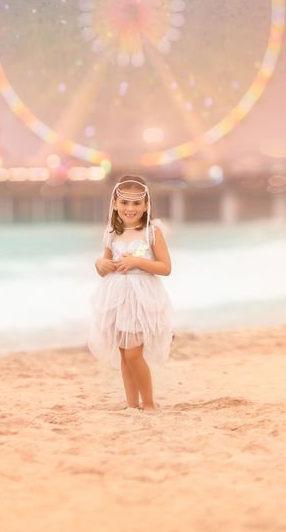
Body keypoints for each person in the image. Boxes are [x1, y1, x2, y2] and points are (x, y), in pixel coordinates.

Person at [88, 174, 173, 411]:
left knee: (135, 354)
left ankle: (148, 403)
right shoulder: (111, 232)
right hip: (117, 299)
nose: (130, 208)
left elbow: (165, 268)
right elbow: (105, 266)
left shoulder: (151, 233)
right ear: (115, 203)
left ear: (146, 205)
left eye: (136, 203)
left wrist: (138, 262)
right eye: (124, 202)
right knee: (125, 355)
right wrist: (99, 265)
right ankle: (131, 403)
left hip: (141, 299)